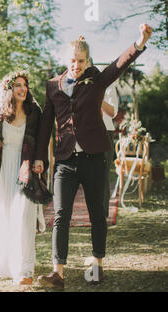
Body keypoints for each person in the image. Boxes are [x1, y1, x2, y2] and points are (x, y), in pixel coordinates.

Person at [33, 24, 153, 289]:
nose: (76, 65)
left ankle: (98, 265)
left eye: (81, 61)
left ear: (88, 61)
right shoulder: (53, 86)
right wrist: (40, 156)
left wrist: (139, 41)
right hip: (65, 161)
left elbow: (118, 65)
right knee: (61, 215)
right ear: (66, 60)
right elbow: (45, 125)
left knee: (97, 213)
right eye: (72, 60)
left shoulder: (96, 79)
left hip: (95, 157)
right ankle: (57, 273)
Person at [0, 71, 48, 286]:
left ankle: (24, 270)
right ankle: (3, 266)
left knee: (24, 214)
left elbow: (43, 141)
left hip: (25, 166)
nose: (22, 88)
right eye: (18, 85)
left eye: (25, 85)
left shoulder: (34, 112)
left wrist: (40, 160)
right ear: (9, 89)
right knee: (5, 215)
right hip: (4, 170)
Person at [102, 84, 120, 217]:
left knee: (102, 175)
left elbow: (112, 112)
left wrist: (97, 97)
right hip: (85, 132)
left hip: (104, 132)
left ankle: (102, 214)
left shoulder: (108, 88)